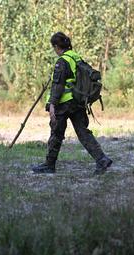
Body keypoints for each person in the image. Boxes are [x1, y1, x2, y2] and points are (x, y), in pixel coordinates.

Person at [32, 32, 112, 175]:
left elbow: (58, 85)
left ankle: (49, 165)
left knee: (56, 134)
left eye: (54, 47)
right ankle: (102, 159)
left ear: (57, 46)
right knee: (83, 133)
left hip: (63, 103)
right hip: (78, 102)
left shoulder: (62, 61)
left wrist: (52, 105)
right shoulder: (76, 57)